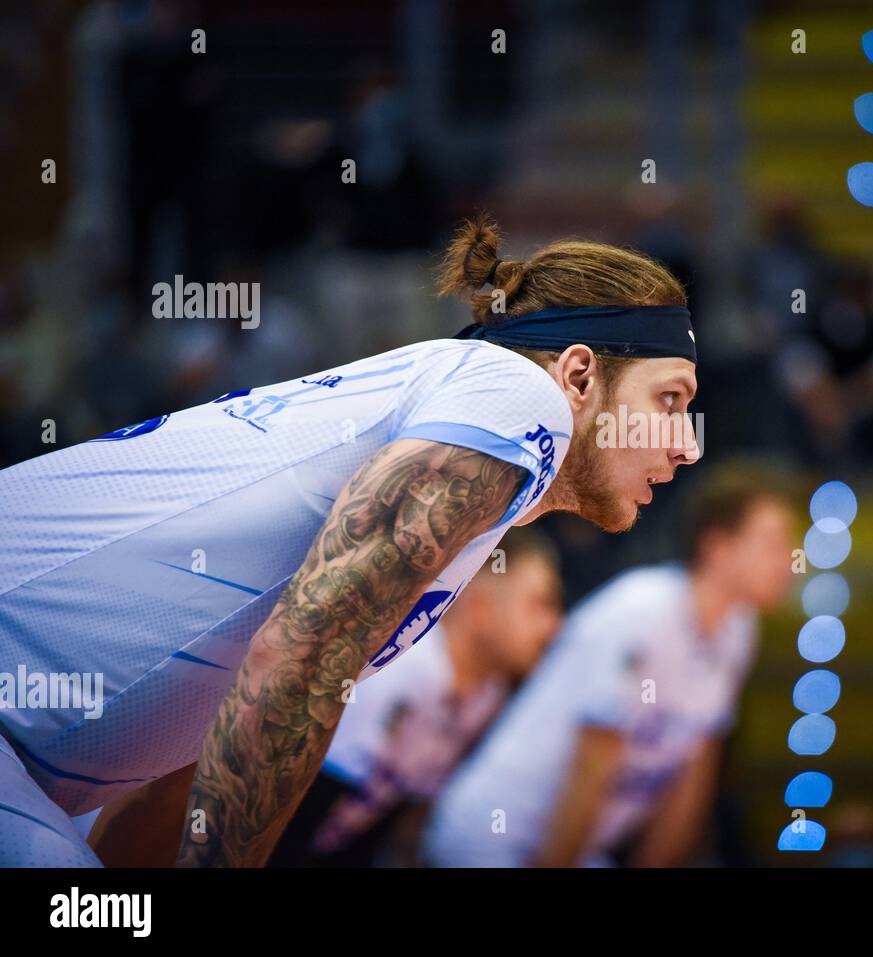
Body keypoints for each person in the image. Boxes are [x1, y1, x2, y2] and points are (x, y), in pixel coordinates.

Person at [0, 212, 700, 867]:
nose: (687, 445)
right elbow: (297, 657)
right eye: (670, 400)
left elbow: (201, 748)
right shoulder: (523, 402)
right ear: (578, 375)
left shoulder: (479, 464)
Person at [427, 467, 794, 867]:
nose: (790, 561)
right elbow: (592, 766)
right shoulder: (644, 611)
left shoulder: (738, 633)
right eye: (773, 543)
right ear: (717, 546)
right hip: (494, 838)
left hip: (577, 846)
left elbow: (691, 780)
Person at [268, 528, 563, 867]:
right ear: (480, 609)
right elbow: (301, 793)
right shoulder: (406, 667)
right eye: (540, 605)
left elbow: (401, 816)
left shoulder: (486, 697)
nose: (554, 627)